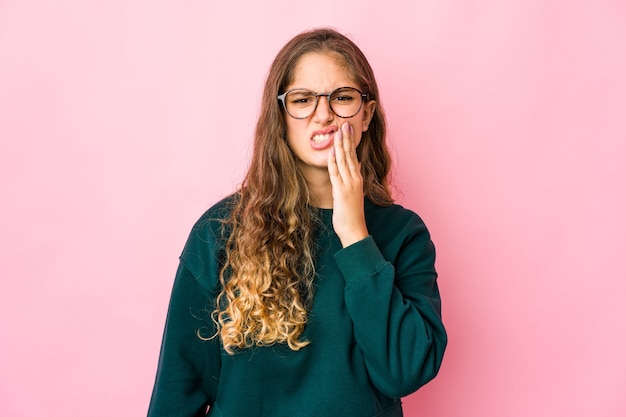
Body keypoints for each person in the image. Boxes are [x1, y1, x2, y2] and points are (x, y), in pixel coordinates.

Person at [147, 28, 447, 417]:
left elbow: (405, 371)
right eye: (303, 100)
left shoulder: (403, 234)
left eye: (342, 98)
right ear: (281, 116)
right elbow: (177, 390)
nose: (324, 115)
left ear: (367, 113)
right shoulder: (219, 231)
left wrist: (356, 236)